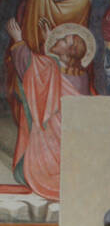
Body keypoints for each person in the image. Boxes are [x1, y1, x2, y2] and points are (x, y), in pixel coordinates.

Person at [5, 22, 95, 202]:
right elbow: (50, 74)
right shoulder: (81, 75)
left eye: (63, 40)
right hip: (66, 141)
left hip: (50, 144)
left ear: (69, 52)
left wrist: (18, 40)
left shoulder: (51, 67)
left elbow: (30, 67)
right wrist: (50, 43)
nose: (58, 39)